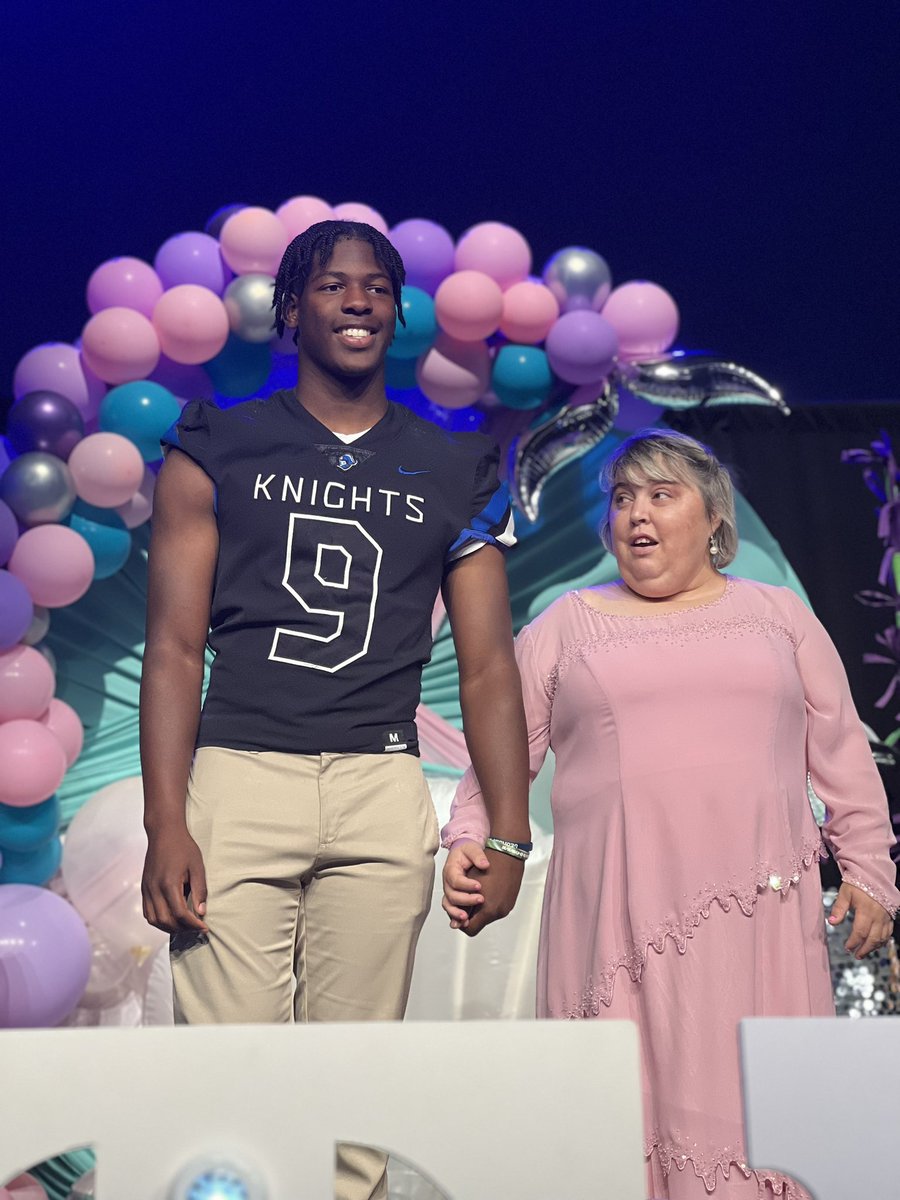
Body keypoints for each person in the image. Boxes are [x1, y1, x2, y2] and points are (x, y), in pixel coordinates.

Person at [139, 220, 530, 1200]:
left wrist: (512, 837)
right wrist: (163, 821)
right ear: (291, 311)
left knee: (355, 1090)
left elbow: (487, 669)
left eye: (375, 286)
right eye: (330, 285)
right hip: (240, 776)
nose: (356, 299)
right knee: (229, 1086)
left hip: (380, 784)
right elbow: (177, 647)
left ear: (397, 311)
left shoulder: (459, 468)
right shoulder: (216, 442)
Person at [442, 429, 899, 1199]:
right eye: (623, 499)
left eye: (661, 495)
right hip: (617, 921)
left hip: (759, 926)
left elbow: (842, 754)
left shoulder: (778, 616)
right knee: (624, 1125)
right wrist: (468, 841)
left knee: (761, 1123)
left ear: (715, 520)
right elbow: (500, 757)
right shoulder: (566, 623)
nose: (636, 514)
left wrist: (871, 871)